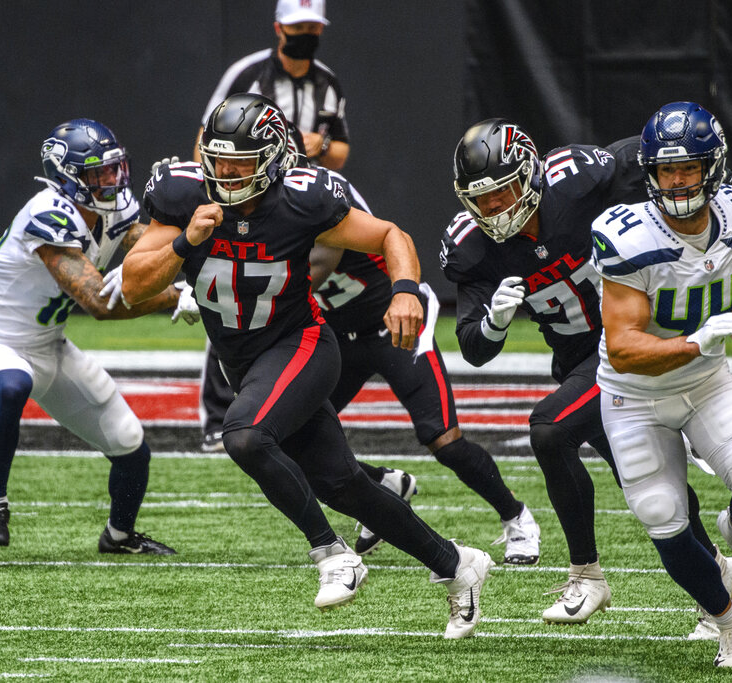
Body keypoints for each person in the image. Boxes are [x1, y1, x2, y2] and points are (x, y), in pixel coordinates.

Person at [121, 93, 493, 638]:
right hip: (244, 362)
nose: (226, 173)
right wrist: (185, 243)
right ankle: (458, 565)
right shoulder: (182, 195)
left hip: (302, 344)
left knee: (244, 436)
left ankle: (332, 555)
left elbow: (391, 234)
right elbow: (133, 287)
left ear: (272, 159)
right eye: (219, 160)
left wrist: (406, 291)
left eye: (240, 163)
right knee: (343, 485)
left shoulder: (303, 199)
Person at [442, 118, 732, 627]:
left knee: (550, 430)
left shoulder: (581, 180)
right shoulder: (472, 247)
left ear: (532, 174)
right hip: (578, 362)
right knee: (650, 480)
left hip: (633, 342)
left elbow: (652, 156)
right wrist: (494, 321)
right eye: (481, 198)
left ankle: (586, 575)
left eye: (502, 192)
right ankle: (718, 574)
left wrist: (717, 193)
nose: (492, 208)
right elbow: (473, 350)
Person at [592, 101, 732, 668]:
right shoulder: (627, 236)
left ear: (713, 166)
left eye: (689, 168)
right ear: (649, 173)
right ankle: (729, 622)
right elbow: (626, 348)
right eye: (665, 170)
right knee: (662, 514)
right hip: (634, 397)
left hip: (705, 383)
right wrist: (692, 343)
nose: (677, 182)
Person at [0, 119, 196, 553]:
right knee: (14, 384)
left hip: (51, 347)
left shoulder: (113, 205)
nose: (112, 180)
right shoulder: (48, 213)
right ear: (68, 176)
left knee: (130, 444)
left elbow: (151, 246)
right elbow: (99, 301)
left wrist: (183, 213)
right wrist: (175, 297)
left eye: (116, 169)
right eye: (99, 172)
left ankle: (119, 536)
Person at [308, 184, 541, 565]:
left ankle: (516, 517)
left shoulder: (315, 201)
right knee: (289, 435)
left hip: (394, 326)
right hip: (339, 335)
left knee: (443, 439)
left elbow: (313, 265)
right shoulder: (257, 212)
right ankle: (384, 486)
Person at [194, 0, 350, 453]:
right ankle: (219, 412)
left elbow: (340, 152)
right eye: (298, 25)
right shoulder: (248, 74)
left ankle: (288, 408)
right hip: (240, 202)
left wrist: (315, 148)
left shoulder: (327, 81)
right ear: (279, 27)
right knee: (231, 300)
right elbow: (206, 139)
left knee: (286, 303)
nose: (306, 33)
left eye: (312, 26)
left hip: (293, 211)